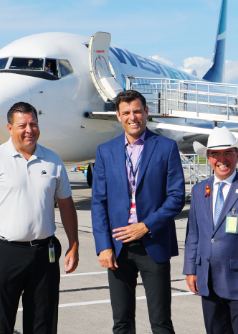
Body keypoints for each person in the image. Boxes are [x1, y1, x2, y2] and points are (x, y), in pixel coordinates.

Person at [0, 102, 79, 334]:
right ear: (10, 128)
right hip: (4, 254)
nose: (29, 130)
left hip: (45, 253)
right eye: (22, 125)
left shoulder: (53, 160)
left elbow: (67, 204)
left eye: (33, 124)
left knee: (44, 323)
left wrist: (74, 244)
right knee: (0, 324)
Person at [91, 90, 185, 334]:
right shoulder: (105, 151)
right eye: (126, 113)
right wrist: (103, 246)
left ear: (145, 112)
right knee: (121, 322)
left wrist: (146, 225)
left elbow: (176, 197)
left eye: (136, 111)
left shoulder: (166, 148)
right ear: (118, 116)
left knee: (161, 321)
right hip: (119, 246)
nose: (132, 117)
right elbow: (99, 202)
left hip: (153, 242)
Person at [184, 126, 238, 334]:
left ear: (237, 155)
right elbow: (193, 235)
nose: (221, 159)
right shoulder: (199, 191)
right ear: (208, 157)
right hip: (208, 280)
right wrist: (191, 269)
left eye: (228, 153)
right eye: (215, 154)